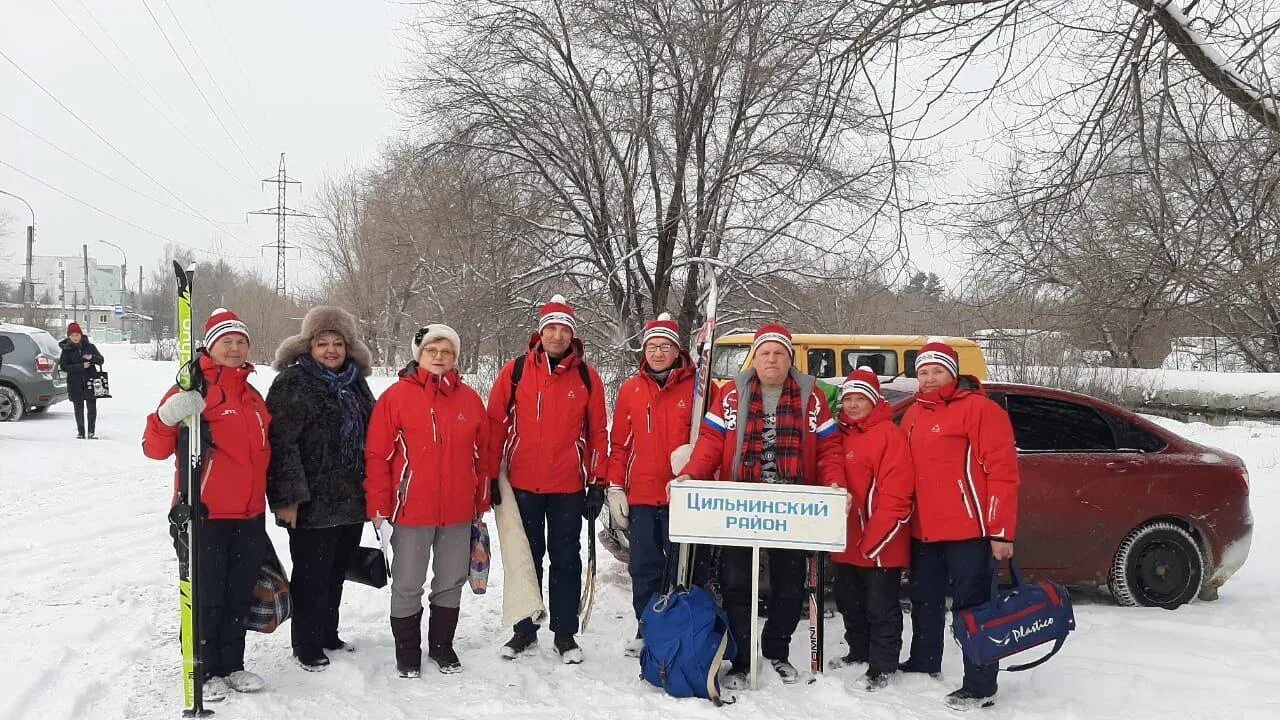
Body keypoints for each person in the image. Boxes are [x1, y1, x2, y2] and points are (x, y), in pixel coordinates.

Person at [676, 323, 843, 688]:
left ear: (789, 358)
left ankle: (776, 651)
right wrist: (692, 474)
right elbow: (710, 441)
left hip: (793, 506)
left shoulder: (810, 397)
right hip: (741, 505)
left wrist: (834, 484)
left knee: (788, 585)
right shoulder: (732, 394)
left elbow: (830, 447)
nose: (772, 359)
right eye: (765, 352)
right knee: (737, 583)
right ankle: (741, 658)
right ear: (755, 357)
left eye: (779, 353)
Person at [142, 308, 272, 702]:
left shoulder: (252, 396)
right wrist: (167, 417)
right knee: (205, 595)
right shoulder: (193, 388)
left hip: (250, 515)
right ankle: (201, 668)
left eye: (240, 342)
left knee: (238, 594)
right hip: (204, 514)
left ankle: (231, 664)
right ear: (210, 346)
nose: (234, 349)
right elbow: (154, 449)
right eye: (226, 342)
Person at [365, 324, 493, 679]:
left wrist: (480, 498)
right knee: (408, 582)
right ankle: (407, 652)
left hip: (457, 509)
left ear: (455, 357)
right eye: (432, 351)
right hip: (410, 510)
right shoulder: (396, 398)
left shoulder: (469, 400)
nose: (439, 357)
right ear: (418, 354)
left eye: (447, 352)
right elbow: (377, 455)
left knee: (450, 580)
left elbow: (483, 455)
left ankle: (441, 646)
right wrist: (378, 507)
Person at [898, 340, 1020, 711]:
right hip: (924, 530)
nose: (930, 378)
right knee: (925, 600)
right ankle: (924, 660)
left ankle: (981, 684)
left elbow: (1003, 472)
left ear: (953, 372)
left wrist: (1001, 531)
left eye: (937, 371)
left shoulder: (980, 410)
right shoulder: (914, 413)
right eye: (923, 372)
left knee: (974, 607)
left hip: (970, 530)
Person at [486, 295, 608, 664]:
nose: (557, 335)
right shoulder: (518, 370)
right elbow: (495, 423)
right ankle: (524, 630)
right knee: (527, 557)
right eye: (551, 328)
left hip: (568, 487)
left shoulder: (587, 377)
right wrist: (492, 473)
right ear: (540, 332)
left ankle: (565, 634)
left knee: (565, 559)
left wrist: (598, 482)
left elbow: (598, 431)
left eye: (563, 329)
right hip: (523, 483)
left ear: (572, 335)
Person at [267, 306, 376, 671]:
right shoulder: (292, 383)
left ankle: (329, 632)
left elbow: (374, 434)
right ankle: (306, 643)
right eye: (323, 343)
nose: (331, 350)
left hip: (350, 499)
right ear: (308, 346)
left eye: (338, 343)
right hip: (310, 500)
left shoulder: (356, 383)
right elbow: (282, 445)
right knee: (311, 574)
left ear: (349, 347)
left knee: (337, 570)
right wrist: (288, 498)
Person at [604, 313, 694, 657]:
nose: (658, 352)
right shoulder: (631, 389)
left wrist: (696, 459)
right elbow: (621, 443)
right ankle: (646, 626)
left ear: (676, 350)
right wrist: (615, 486)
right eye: (653, 346)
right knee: (644, 568)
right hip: (642, 494)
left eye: (665, 346)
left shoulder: (699, 387)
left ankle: (682, 626)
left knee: (683, 567)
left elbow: (714, 440)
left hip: (683, 495)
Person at [830, 367, 915, 692]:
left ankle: (883, 665)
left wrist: (875, 538)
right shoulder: (838, 434)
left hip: (881, 542)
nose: (852, 405)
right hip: (846, 541)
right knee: (850, 602)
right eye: (847, 399)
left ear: (873, 401)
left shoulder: (888, 435)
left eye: (859, 399)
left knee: (881, 607)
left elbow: (897, 492)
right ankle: (859, 651)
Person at [59, 322, 104, 439]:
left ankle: (91, 432)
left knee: (92, 408)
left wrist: (92, 358)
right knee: (78, 409)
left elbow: (101, 360)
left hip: (90, 381)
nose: (75, 337)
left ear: (81, 334)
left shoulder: (90, 347)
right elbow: (63, 366)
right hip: (75, 383)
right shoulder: (66, 350)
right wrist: (80, 366)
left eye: (77, 334)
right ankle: (81, 432)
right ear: (69, 336)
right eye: (72, 335)